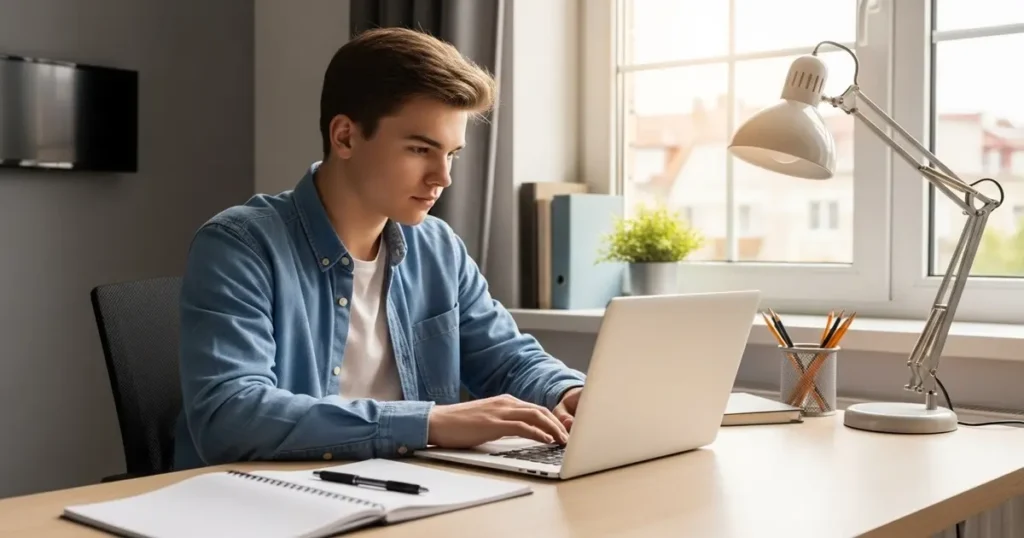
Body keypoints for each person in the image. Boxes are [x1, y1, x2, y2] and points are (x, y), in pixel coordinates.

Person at [172, 27, 586, 470]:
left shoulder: (438, 248)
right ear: (345, 137)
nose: (442, 178)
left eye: (452, 154)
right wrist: (429, 423)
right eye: (419, 149)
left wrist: (569, 393)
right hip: (263, 504)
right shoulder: (240, 246)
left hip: (408, 490)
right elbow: (231, 416)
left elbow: (506, 359)